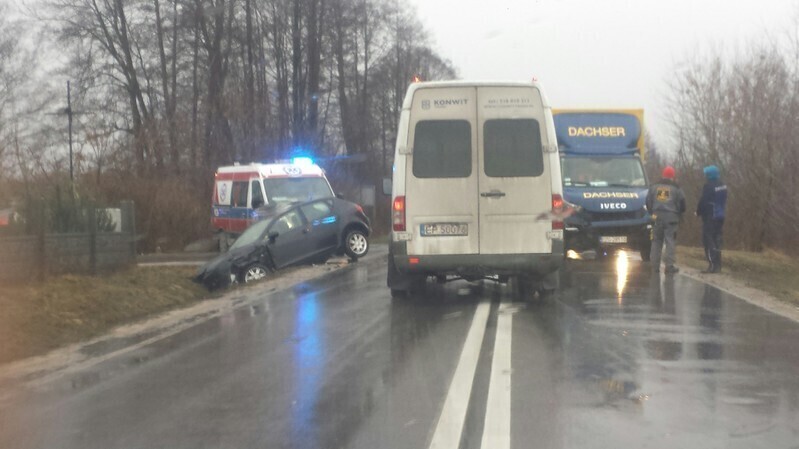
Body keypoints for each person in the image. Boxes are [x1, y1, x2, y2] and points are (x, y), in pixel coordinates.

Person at [646, 166, 686, 274]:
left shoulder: (654, 186)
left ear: (663, 174)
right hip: (671, 218)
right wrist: (679, 213)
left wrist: (652, 212)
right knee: (670, 241)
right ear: (672, 176)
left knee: (656, 241)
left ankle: (654, 267)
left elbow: (648, 201)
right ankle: (669, 266)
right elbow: (682, 203)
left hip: (656, 217)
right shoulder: (676, 188)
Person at [695, 165, 727, 273]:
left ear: (709, 175)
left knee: (708, 240)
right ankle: (718, 265)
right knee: (717, 240)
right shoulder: (723, 185)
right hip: (720, 216)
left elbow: (703, 201)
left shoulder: (708, 186)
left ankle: (712, 265)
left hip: (710, 216)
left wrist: (698, 212)